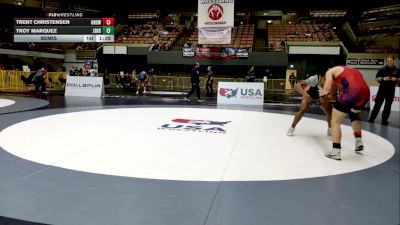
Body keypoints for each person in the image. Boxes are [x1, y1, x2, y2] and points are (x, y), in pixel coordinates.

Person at [320, 66, 370, 160]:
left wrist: (322, 96)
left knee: (335, 122)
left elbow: (326, 90)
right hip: (365, 92)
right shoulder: (352, 69)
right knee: (354, 114)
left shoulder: (330, 71)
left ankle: (336, 152)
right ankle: (358, 141)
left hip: (351, 91)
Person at [368, 55, 399, 125]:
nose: (389, 62)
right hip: (382, 89)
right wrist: (384, 78)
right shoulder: (382, 69)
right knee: (377, 105)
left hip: (391, 90)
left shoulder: (397, 70)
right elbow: (376, 78)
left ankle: (384, 121)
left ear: (393, 61)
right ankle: (371, 119)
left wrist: (396, 79)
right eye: (388, 61)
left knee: (388, 106)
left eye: (390, 61)